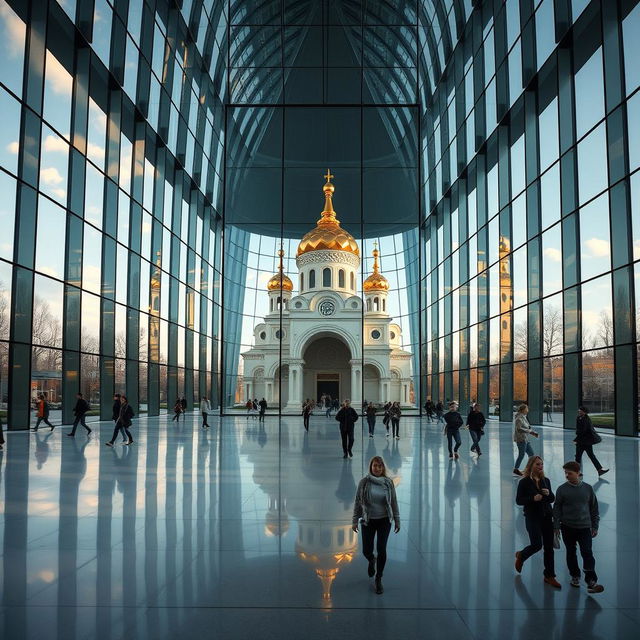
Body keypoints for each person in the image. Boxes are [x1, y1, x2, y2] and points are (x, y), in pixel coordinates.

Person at [553, 461, 604, 593]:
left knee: (587, 552)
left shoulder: (588, 489)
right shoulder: (562, 489)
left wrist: (595, 526)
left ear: (578, 473)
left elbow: (594, 508)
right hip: (567, 527)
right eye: (565, 473)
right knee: (571, 552)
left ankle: (591, 580)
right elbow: (557, 508)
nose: (567, 476)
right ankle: (575, 576)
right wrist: (556, 525)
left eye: (569, 473)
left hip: (584, 527)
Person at [352, 456, 401, 595]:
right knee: (366, 550)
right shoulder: (364, 483)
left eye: (380, 466)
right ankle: (371, 560)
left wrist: (397, 519)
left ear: (383, 468)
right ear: (371, 467)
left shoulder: (388, 483)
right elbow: (357, 502)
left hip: (384, 520)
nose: (377, 468)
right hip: (368, 520)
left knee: (381, 549)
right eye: (375, 466)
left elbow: (394, 501)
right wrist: (354, 520)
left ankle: (378, 578)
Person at [515, 456, 561, 588]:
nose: (540, 467)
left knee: (548, 548)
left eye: (541, 464)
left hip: (547, 516)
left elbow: (552, 499)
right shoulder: (524, 482)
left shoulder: (545, 480)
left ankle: (550, 575)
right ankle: (521, 555)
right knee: (536, 545)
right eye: (537, 464)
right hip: (532, 516)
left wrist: (548, 494)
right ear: (531, 466)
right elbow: (519, 500)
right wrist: (532, 498)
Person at [574, 406, 608, 476]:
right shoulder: (578, 418)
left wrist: (577, 438)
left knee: (589, 456)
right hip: (582, 441)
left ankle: (599, 470)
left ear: (584, 412)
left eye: (580, 411)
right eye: (579, 410)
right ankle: (599, 470)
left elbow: (584, 430)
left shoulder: (586, 419)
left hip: (586, 441)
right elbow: (579, 429)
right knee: (578, 457)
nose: (579, 411)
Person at [513, 404, 539, 476]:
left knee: (532, 455)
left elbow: (527, 428)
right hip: (521, 439)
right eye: (526, 409)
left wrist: (532, 433)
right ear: (523, 410)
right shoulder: (519, 418)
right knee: (521, 454)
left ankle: (528, 469)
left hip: (526, 439)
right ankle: (516, 469)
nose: (528, 410)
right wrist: (530, 432)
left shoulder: (524, 417)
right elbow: (519, 429)